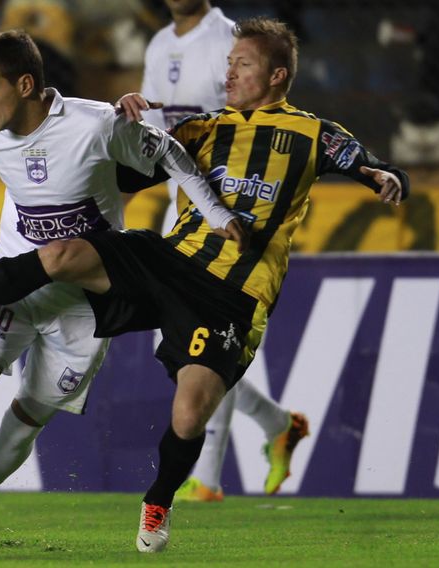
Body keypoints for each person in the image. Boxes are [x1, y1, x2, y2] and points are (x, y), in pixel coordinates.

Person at [0, 17, 408, 553]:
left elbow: (359, 161)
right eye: (228, 64)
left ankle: (117, 504)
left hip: (191, 295)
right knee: (20, 309)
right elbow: (132, 164)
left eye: (241, 64)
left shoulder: (305, 133)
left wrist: (386, 177)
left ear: (276, 76)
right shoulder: (202, 126)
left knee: (162, 411)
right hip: (103, 267)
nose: (229, 73)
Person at [0, 29, 246, 550]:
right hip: (18, 283)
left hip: (85, 305)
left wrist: (218, 213)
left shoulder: (96, 125)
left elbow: (172, 152)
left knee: (24, 421)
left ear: (25, 84)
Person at [139, 0, 309, 503]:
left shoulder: (227, 43)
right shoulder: (159, 44)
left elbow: (255, 124)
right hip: (184, 213)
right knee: (174, 346)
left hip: (231, 219)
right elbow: (154, 130)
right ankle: (279, 424)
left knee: (212, 341)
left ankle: (207, 478)